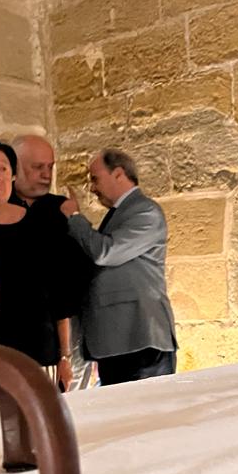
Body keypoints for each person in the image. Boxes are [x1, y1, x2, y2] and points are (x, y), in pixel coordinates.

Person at [0, 138, 74, 392]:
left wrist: (65, 355)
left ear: (13, 176)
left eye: (3, 169)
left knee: (41, 428)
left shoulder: (39, 224)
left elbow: (59, 296)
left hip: (39, 352)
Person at [60, 149, 177, 385]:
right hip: (116, 342)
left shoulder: (146, 211)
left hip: (141, 338)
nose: (92, 188)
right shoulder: (119, 214)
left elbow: (105, 252)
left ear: (119, 174)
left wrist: (74, 217)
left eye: (95, 178)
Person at [12, 134, 94, 389]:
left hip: (65, 330)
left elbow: (78, 276)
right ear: (15, 167)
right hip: (15, 332)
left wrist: (68, 352)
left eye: (50, 166)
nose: (46, 174)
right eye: (38, 167)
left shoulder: (62, 210)